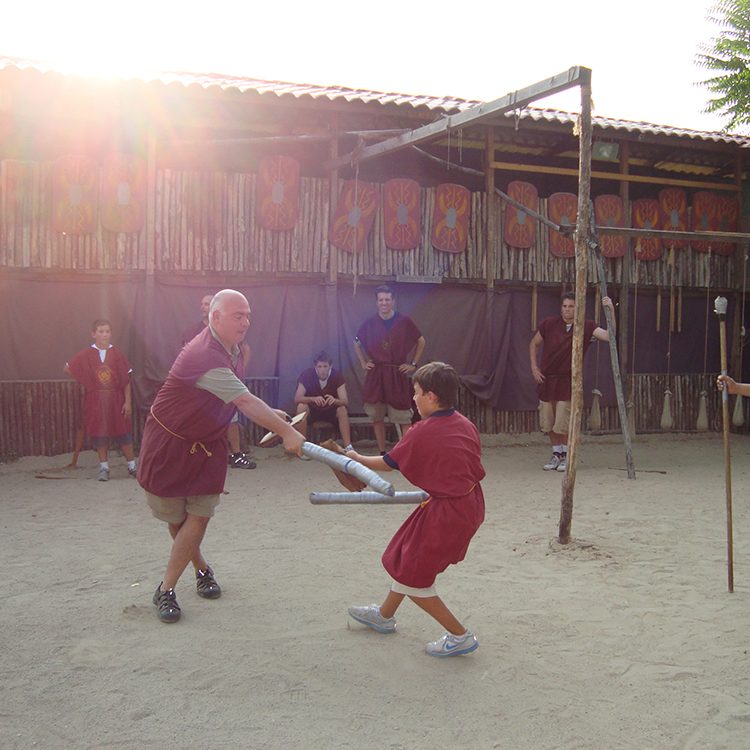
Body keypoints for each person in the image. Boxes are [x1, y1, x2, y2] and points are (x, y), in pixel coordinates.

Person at [137, 289, 305, 624]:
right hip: (170, 445)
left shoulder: (236, 350)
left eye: (247, 315)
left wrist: (272, 413)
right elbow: (242, 401)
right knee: (178, 521)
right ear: (215, 317)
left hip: (207, 444)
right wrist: (287, 433)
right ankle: (202, 569)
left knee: (198, 516)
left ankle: (165, 589)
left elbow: (233, 394)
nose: (245, 322)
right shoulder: (202, 354)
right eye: (237, 315)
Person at [346, 361, 485, 657]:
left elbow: (388, 463)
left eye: (418, 392)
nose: (414, 398)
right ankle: (384, 616)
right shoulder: (463, 422)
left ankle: (460, 635)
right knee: (407, 556)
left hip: (449, 512)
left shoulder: (423, 431)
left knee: (414, 576)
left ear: (432, 397)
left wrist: (355, 457)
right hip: (466, 503)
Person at [529, 292, 615, 473]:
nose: (567, 310)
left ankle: (567, 456)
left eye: (572, 306)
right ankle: (556, 454)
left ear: (578, 308)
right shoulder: (549, 324)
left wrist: (611, 310)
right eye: (565, 306)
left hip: (568, 380)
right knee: (548, 421)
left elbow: (609, 336)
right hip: (547, 379)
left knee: (563, 420)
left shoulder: (586, 326)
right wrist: (534, 368)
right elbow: (534, 344)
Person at [182, 293, 255, 469]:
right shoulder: (193, 333)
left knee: (231, 417)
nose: (203, 307)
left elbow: (244, 349)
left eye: (207, 303)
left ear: (216, 310)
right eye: (202, 303)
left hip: (226, 383)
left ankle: (236, 455)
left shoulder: (231, 332)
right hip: (201, 388)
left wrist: (237, 374)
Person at [354, 285, 426, 454]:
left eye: (387, 299)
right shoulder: (370, 323)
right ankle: (382, 452)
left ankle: (406, 452)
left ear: (393, 301)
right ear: (376, 302)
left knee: (403, 417)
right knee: (377, 416)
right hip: (376, 375)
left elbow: (421, 341)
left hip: (396, 374)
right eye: (381, 300)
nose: (384, 303)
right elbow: (356, 342)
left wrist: (413, 364)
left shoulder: (404, 321)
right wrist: (364, 363)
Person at [64, 319, 137, 482]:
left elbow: (126, 380)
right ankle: (104, 468)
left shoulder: (117, 354)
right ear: (94, 334)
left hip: (116, 399)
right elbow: (68, 368)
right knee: (99, 434)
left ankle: (132, 466)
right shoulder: (86, 354)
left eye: (107, 331)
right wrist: (88, 381)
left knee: (123, 432)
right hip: (96, 400)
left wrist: (128, 402)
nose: (104, 335)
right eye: (101, 331)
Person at [294, 350, 353, 450]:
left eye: (325, 366)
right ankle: (302, 446)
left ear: (330, 366)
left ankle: (348, 447)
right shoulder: (307, 375)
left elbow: (345, 401)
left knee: (342, 409)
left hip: (330, 411)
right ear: (315, 367)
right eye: (319, 367)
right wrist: (313, 399)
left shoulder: (337, 376)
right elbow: (297, 398)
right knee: (301, 407)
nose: (322, 370)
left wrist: (334, 400)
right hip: (313, 411)